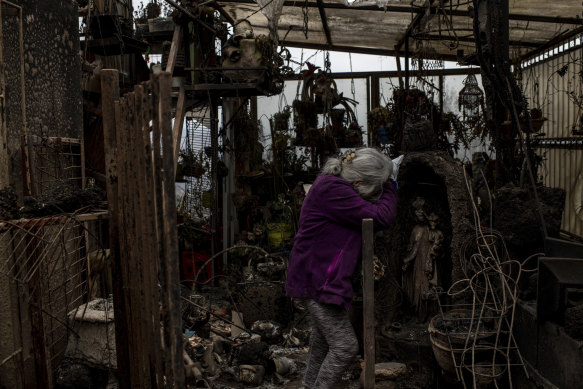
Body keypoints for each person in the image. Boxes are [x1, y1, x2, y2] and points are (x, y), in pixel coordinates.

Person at [285, 148, 398, 389]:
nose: (373, 195)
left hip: (319, 276)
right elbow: (381, 217)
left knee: (321, 341)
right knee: (345, 346)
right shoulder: (333, 190)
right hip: (318, 278)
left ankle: (309, 385)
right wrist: (390, 184)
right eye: (373, 189)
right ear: (358, 182)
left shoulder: (332, 185)